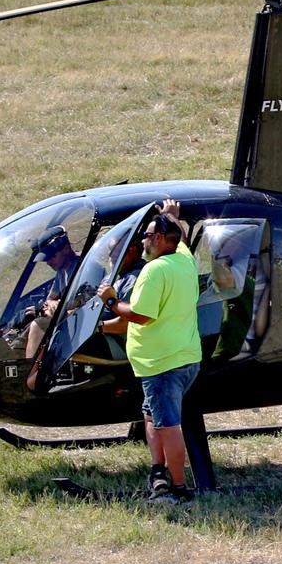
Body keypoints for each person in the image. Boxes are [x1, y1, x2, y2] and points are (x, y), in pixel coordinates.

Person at [98, 201, 202, 503]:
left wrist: (111, 301)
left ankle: (179, 489)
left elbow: (141, 315)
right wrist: (172, 216)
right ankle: (158, 472)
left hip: (162, 364)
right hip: (181, 358)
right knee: (151, 415)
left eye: (146, 234)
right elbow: (179, 236)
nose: (143, 239)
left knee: (169, 426)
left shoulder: (153, 271)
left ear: (157, 240)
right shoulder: (184, 259)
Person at [21, 230, 81, 391]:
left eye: (51, 257)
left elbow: (86, 302)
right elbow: (50, 299)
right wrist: (53, 305)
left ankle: (31, 379)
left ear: (66, 249)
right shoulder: (62, 271)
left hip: (79, 324)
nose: (48, 262)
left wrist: (59, 307)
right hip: (63, 319)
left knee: (38, 325)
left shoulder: (82, 267)